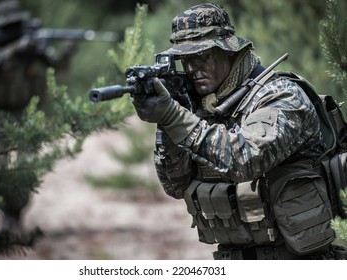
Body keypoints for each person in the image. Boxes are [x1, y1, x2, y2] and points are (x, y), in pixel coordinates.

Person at [131, 3, 340, 259]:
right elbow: (175, 185)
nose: (193, 69)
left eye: (202, 56)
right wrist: (167, 121)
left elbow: (246, 159)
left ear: (229, 51)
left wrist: (175, 117)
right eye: (185, 61)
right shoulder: (207, 104)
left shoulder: (280, 95)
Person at [0, 0, 76, 232]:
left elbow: (56, 65)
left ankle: (15, 214)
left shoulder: (31, 44)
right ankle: (5, 212)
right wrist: (16, 47)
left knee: (26, 168)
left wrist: (67, 50)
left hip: (26, 114)